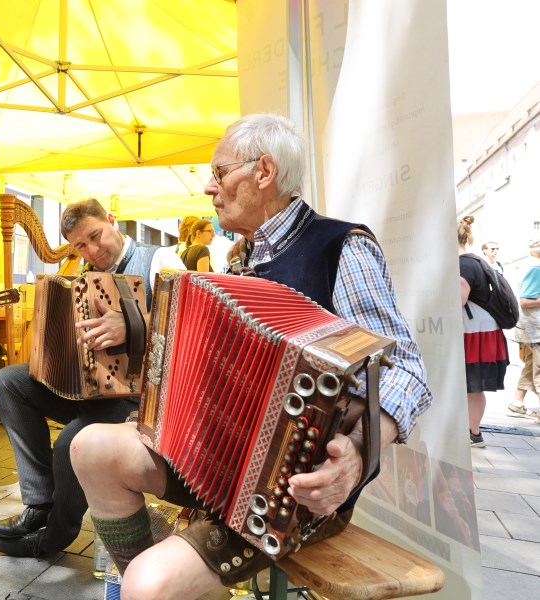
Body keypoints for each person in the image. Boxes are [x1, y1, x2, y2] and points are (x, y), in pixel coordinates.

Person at [69, 114, 432, 600]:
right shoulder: (241, 259)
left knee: (146, 584)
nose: (208, 187)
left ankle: (148, 584)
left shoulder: (341, 247)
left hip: (289, 491)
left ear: (264, 172)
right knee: (88, 447)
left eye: (219, 173)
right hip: (211, 458)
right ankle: (151, 580)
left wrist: (359, 456)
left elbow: (405, 369)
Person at [0, 198, 185, 558]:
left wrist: (134, 325)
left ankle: (57, 534)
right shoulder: (83, 278)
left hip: (142, 398)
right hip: (90, 391)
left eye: (95, 236)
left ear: (112, 220)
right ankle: (40, 504)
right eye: (80, 245)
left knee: (69, 442)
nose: (92, 250)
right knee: (8, 382)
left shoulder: (159, 259)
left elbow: (192, 319)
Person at [459, 216, 508, 448]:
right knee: (472, 387)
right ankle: (472, 431)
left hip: (475, 333)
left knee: (473, 387)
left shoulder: (463, 264)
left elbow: (458, 299)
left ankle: (473, 433)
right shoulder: (473, 261)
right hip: (479, 331)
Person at [509, 239, 540, 420]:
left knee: (531, 364)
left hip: (532, 328)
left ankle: (517, 401)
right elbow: (526, 301)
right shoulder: (536, 268)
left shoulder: (530, 265)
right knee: (538, 369)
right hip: (535, 329)